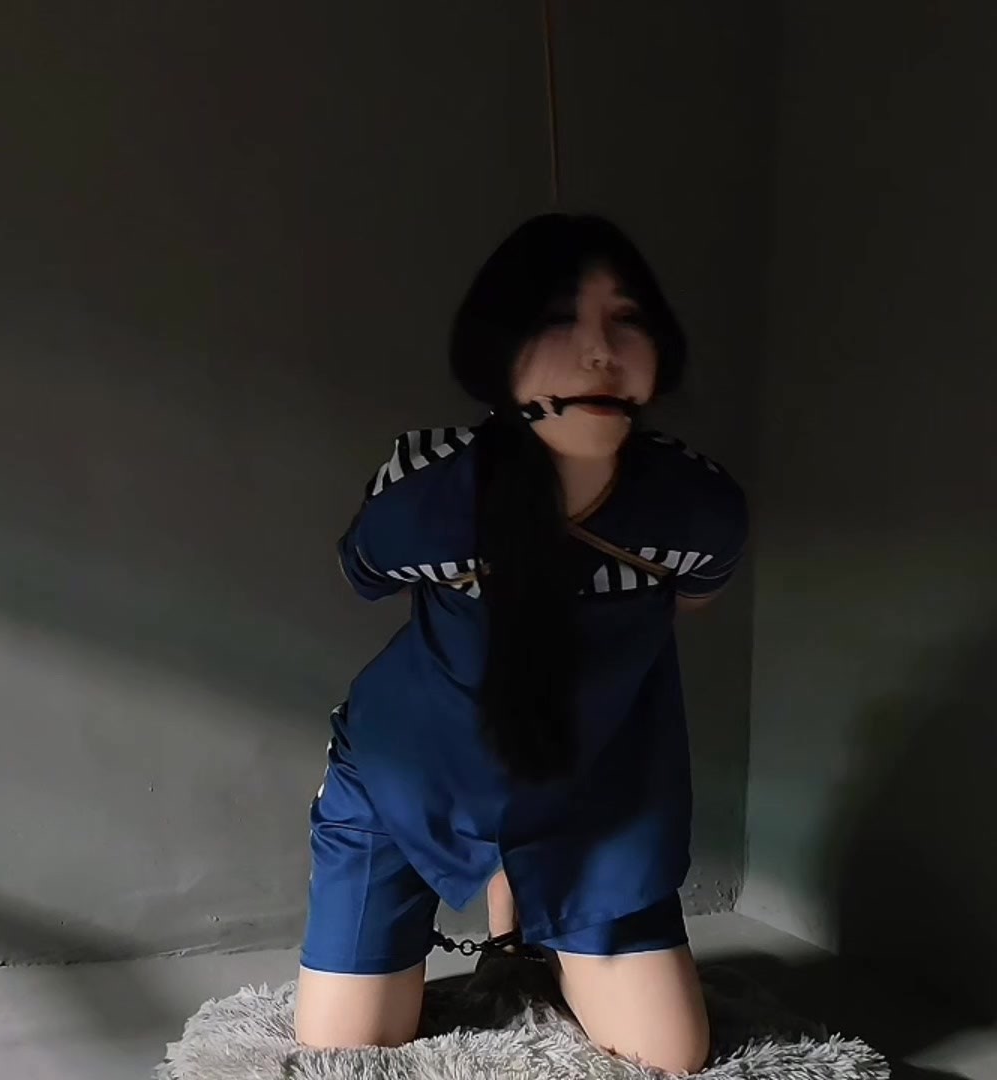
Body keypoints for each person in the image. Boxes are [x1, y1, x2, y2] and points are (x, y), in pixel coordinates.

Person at [293, 213, 747, 1074]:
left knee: (672, 1057)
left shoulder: (700, 510)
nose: (599, 351)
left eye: (626, 319)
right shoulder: (424, 494)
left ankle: (530, 926)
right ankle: (478, 894)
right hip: (409, 779)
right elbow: (365, 573)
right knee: (342, 1051)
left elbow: (695, 599)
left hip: (597, 796)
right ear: (497, 348)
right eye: (557, 320)